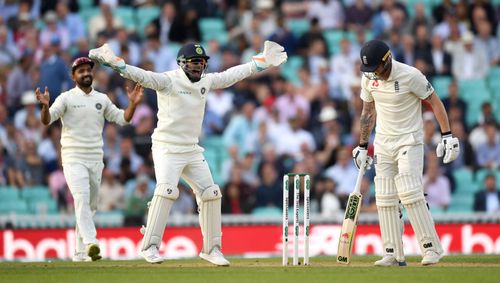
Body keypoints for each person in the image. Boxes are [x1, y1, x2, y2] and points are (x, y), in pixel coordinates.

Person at [88, 41, 287, 265]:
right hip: (166, 147)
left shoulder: (205, 81)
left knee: (211, 193)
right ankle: (150, 246)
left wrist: (260, 62)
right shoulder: (168, 80)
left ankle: (212, 249)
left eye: (201, 63)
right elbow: (141, 76)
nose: (198, 68)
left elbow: (231, 75)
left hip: (191, 149)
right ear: (182, 64)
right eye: (193, 63)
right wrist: (116, 63)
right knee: (167, 190)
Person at [352, 40, 459, 266]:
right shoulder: (369, 79)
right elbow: (367, 112)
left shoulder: (411, 75)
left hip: (409, 140)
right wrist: (362, 146)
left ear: (386, 60)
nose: (372, 75)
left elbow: (434, 101)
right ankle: (393, 253)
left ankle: (431, 249)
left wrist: (447, 134)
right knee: (384, 196)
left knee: (410, 192)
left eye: (375, 69)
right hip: (382, 142)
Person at [35, 57, 143, 262]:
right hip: (73, 156)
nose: (86, 73)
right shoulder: (66, 98)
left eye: (88, 70)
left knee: (90, 206)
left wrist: (132, 104)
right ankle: (92, 243)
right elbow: (48, 120)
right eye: (81, 71)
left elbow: (123, 119)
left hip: (95, 158)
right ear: (73, 76)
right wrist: (44, 107)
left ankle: (79, 252)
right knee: (81, 198)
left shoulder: (101, 99)